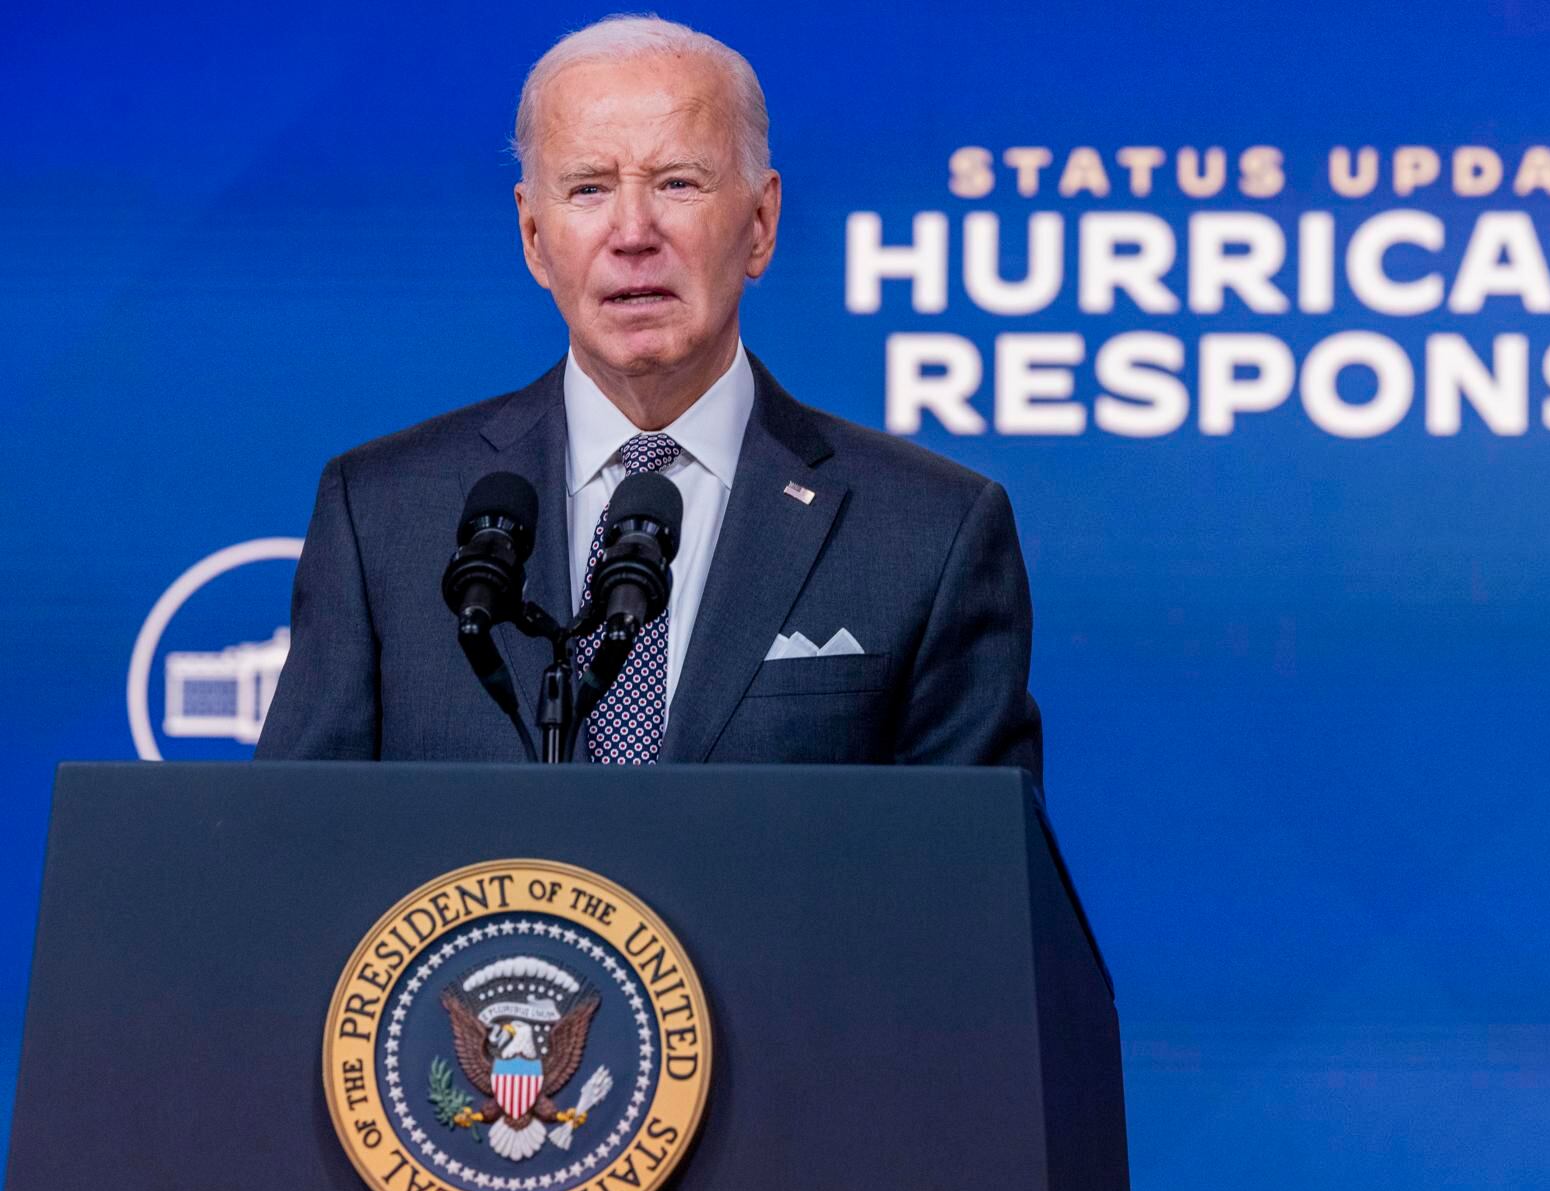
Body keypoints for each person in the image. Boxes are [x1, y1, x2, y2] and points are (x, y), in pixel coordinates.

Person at [254, 15, 1041, 779]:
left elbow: (973, 862)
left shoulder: (930, 530)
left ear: (761, 222)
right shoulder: (382, 514)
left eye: (677, 183)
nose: (633, 232)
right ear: (534, 237)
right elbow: (296, 842)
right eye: (588, 188)